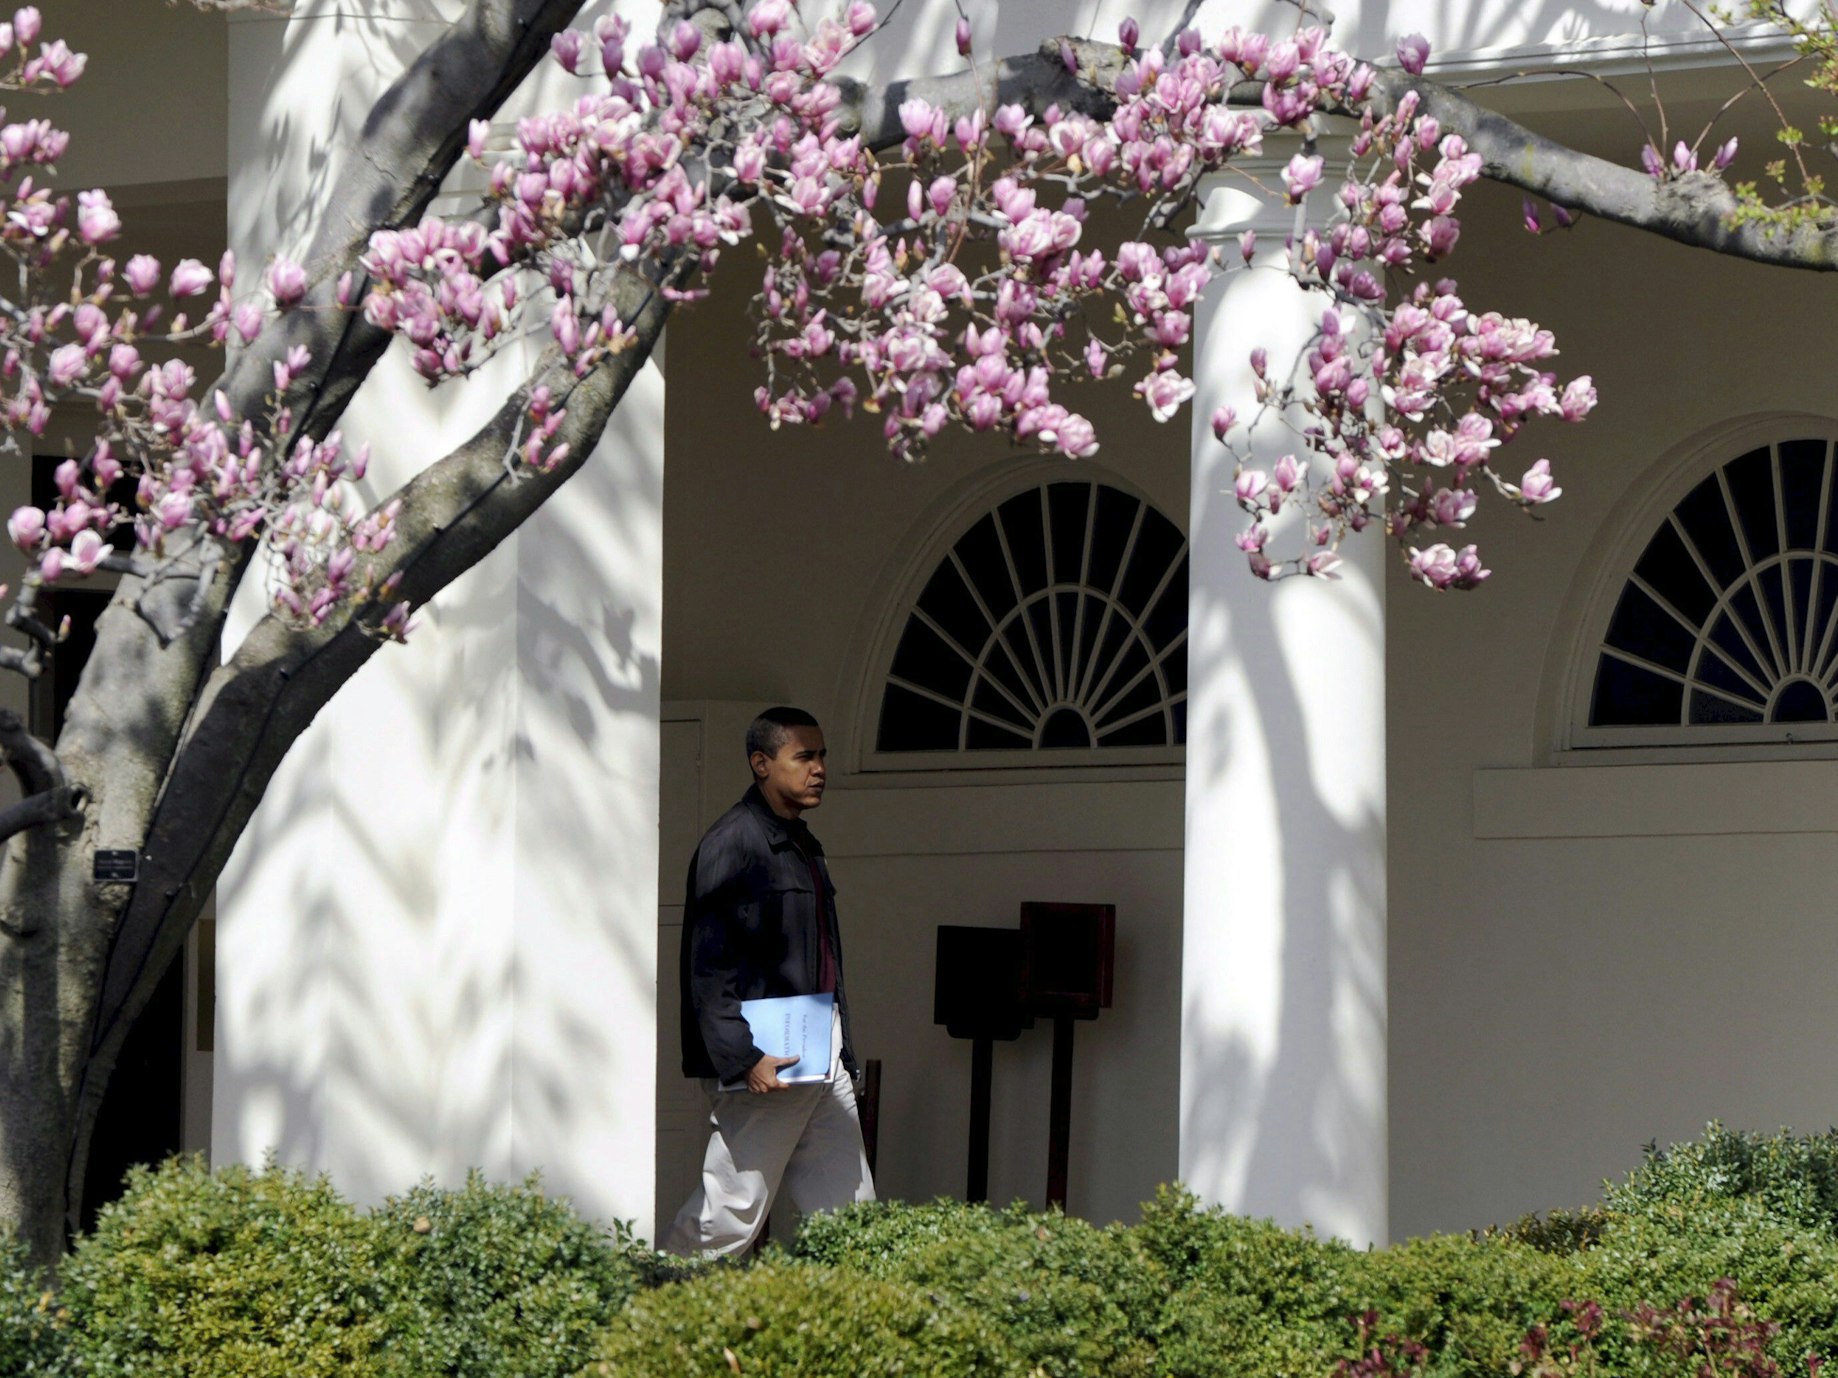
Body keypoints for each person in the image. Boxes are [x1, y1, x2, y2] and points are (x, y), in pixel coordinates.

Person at [663, 706, 876, 1256]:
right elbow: (708, 967)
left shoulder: (802, 843)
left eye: (822, 755)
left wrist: (842, 1051)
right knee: (732, 1208)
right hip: (769, 1061)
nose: (819, 768)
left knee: (848, 1215)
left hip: (819, 1054)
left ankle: (859, 1329)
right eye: (803, 756)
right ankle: (659, 1308)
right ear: (762, 763)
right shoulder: (732, 842)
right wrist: (742, 1058)